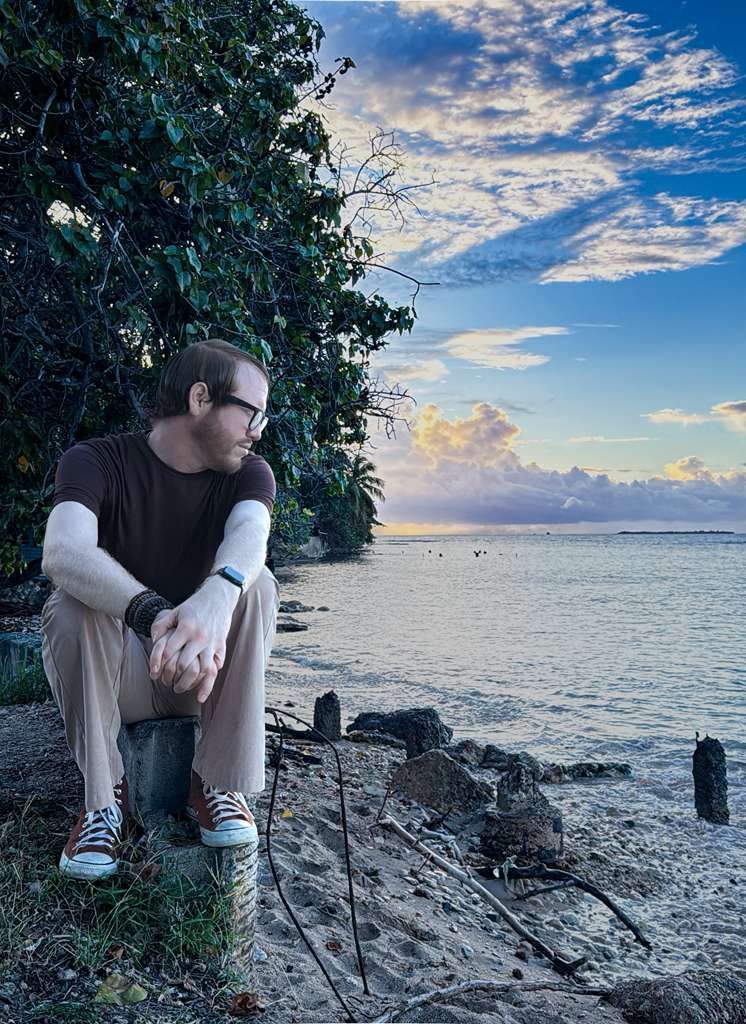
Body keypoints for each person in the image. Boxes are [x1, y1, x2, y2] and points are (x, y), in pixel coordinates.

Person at [40, 339, 281, 880]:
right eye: (252, 413)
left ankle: (217, 782)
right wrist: (152, 614)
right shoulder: (96, 461)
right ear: (200, 398)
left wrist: (217, 596)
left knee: (257, 584)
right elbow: (63, 551)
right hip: (120, 678)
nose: (258, 431)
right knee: (72, 602)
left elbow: (251, 534)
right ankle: (104, 799)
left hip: (201, 675)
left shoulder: (250, 473)